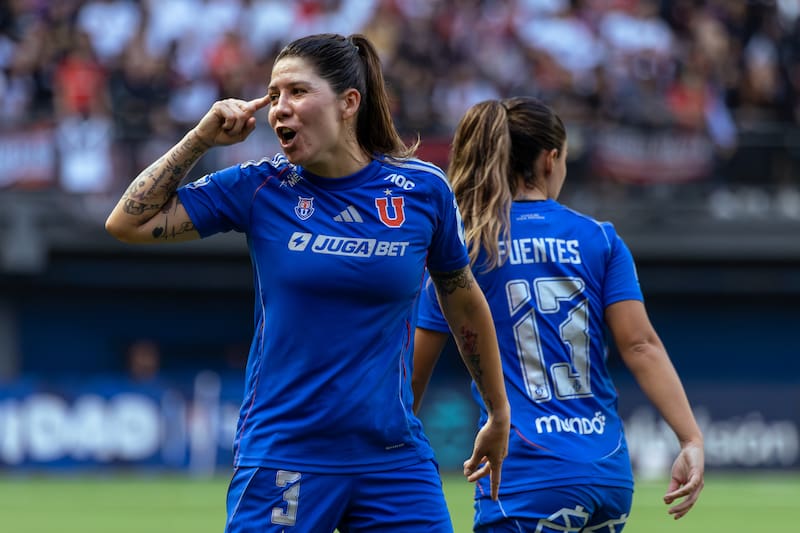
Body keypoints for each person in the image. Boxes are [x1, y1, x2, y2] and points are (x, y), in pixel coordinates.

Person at [105, 33, 510, 533]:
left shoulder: (423, 190)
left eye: (296, 92)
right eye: (273, 96)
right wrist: (202, 138)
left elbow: (462, 300)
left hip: (392, 459)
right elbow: (128, 221)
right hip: (284, 455)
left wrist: (497, 410)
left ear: (348, 103)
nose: (279, 109)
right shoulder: (260, 186)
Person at [412, 96, 704, 532]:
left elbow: (414, 371)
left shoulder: (467, 247)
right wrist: (690, 439)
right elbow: (641, 345)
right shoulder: (599, 239)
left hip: (527, 472)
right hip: (608, 473)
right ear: (550, 160)